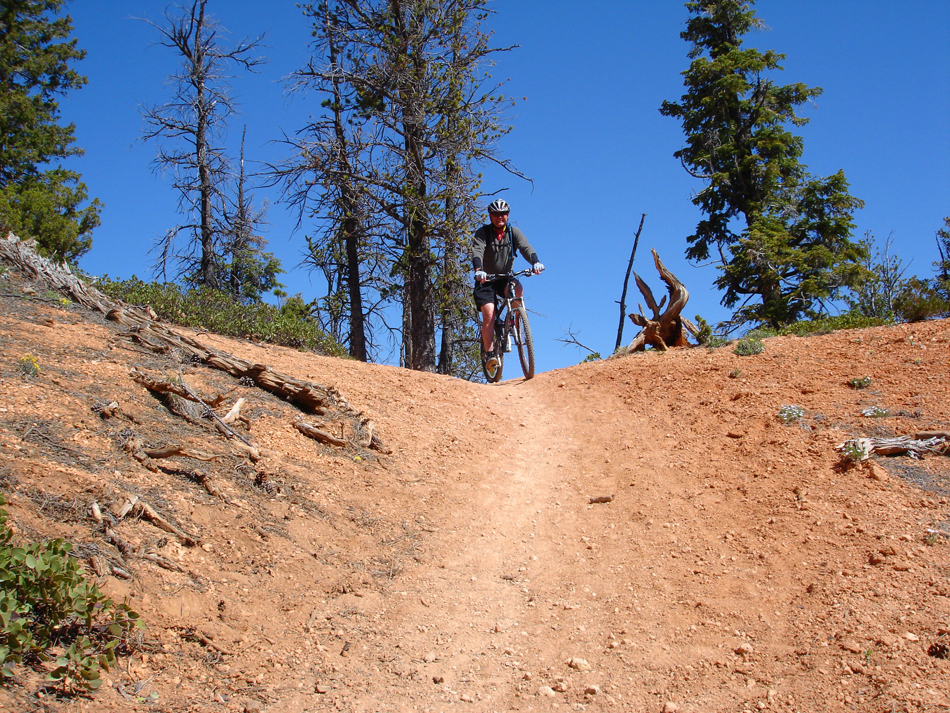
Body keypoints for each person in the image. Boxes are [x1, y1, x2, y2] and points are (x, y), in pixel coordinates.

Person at [471, 199, 544, 369]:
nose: (500, 217)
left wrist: (535, 262)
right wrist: (478, 269)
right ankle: (489, 355)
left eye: (503, 214)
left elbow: (526, 247)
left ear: (508, 215)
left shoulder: (513, 232)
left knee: (518, 288)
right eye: (496, 214)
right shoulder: (483, 233)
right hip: (485, 279)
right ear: (490, 216)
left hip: (505, 277)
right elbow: (477, 251)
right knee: (489, 314)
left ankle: (516, 321)